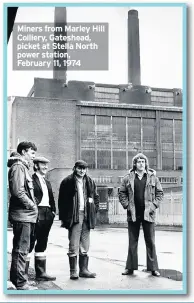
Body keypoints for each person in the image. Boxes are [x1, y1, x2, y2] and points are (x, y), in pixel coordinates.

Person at [118, 153, 164, 277]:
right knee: (132, 241)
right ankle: (130, 268)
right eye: (138, 162)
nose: (141, 164)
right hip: (133, 214)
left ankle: (153, 268)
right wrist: (127, 205)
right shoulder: (127, 178)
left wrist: (153, 206)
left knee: (150, 241)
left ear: (146, 163)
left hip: (148, 214)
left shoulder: (153, 177)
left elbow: (160, 193)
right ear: (134, 164)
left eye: (143, 162)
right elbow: (121, 193)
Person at [58, 160, 99, 280]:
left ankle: (84, 270)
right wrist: (65, 217)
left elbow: (95, 197)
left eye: (84, 168)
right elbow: (62, 201)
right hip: (75, 215)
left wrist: (94, 210)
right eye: (79, 168)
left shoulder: (90, 182)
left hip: (87, 215)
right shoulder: (67, 181)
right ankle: (73, 271)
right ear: (75, 168)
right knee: (73, 243)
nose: (82, 171)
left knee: (85, 243)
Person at [8, 141, 38, 290]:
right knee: (21, 249)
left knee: (20, 249)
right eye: (32, 153)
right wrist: (32, 205)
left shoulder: (21, 167)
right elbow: (18, 191)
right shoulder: (19, 167)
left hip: (25, 215)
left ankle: (17, 280)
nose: (34, 156)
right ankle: (20, 283)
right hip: (23, 215)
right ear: (24, 152)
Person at [29, 156, 56, 281]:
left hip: (47, 213)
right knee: (30, 241)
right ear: (36, 166)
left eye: (46, 165)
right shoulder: (30, 179)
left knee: (42, 242)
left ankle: (41, 273)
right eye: (42, 164)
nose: (45, 167)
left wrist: (53, 211)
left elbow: (51, 198)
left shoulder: (47, 181)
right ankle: (24, 273)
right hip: (36, 212)